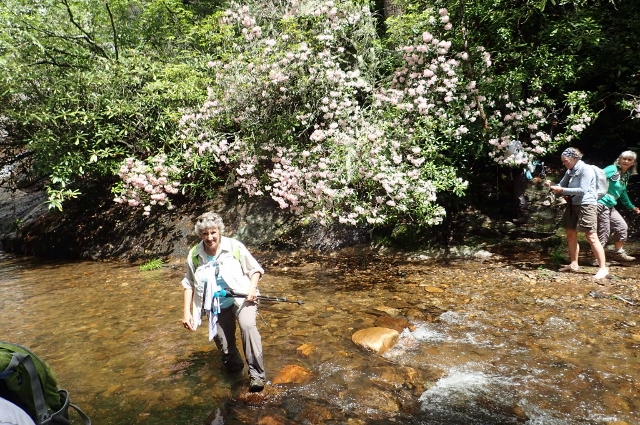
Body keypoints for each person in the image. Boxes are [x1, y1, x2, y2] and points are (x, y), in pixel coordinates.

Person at [181, 211, 266, 392]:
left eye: (213, 232)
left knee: (247, 326)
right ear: (200, 234)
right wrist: (187, 313)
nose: (209, 237)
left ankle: (257, 376)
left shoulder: (234, 246)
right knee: (226, 349)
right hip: (215, 304)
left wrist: (252, 288)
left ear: (219, 231)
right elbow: (189, 283)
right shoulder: (194, 254)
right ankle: (235, 379)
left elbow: (255, 270)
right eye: (205, 233)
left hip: (242, 297)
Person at [544, 147, 608, 279]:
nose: (564, 163)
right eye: (562, 161)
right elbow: (561, 185)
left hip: (587, 205)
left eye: (565, 161)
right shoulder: (570, 170)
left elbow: (583, 190)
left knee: (591, 237)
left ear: (574, 158)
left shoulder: (586, 169)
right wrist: (551, 185)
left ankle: (603, 268)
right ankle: (573, 264)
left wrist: (562, 190)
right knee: (570, 234)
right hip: (573, 205)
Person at [595, 150, 640, 263]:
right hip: (600, 202)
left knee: (622, 226)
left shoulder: (626, 175)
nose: (626, 161)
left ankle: (618, 253)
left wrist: (631, 206)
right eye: (624, 159)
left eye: (629, 160)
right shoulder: (612, 169)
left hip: (610, 205)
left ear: (633, 163)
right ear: (619, 159)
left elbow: (622, 192)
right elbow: (596, 178)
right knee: (604, 231)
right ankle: (595, 258)